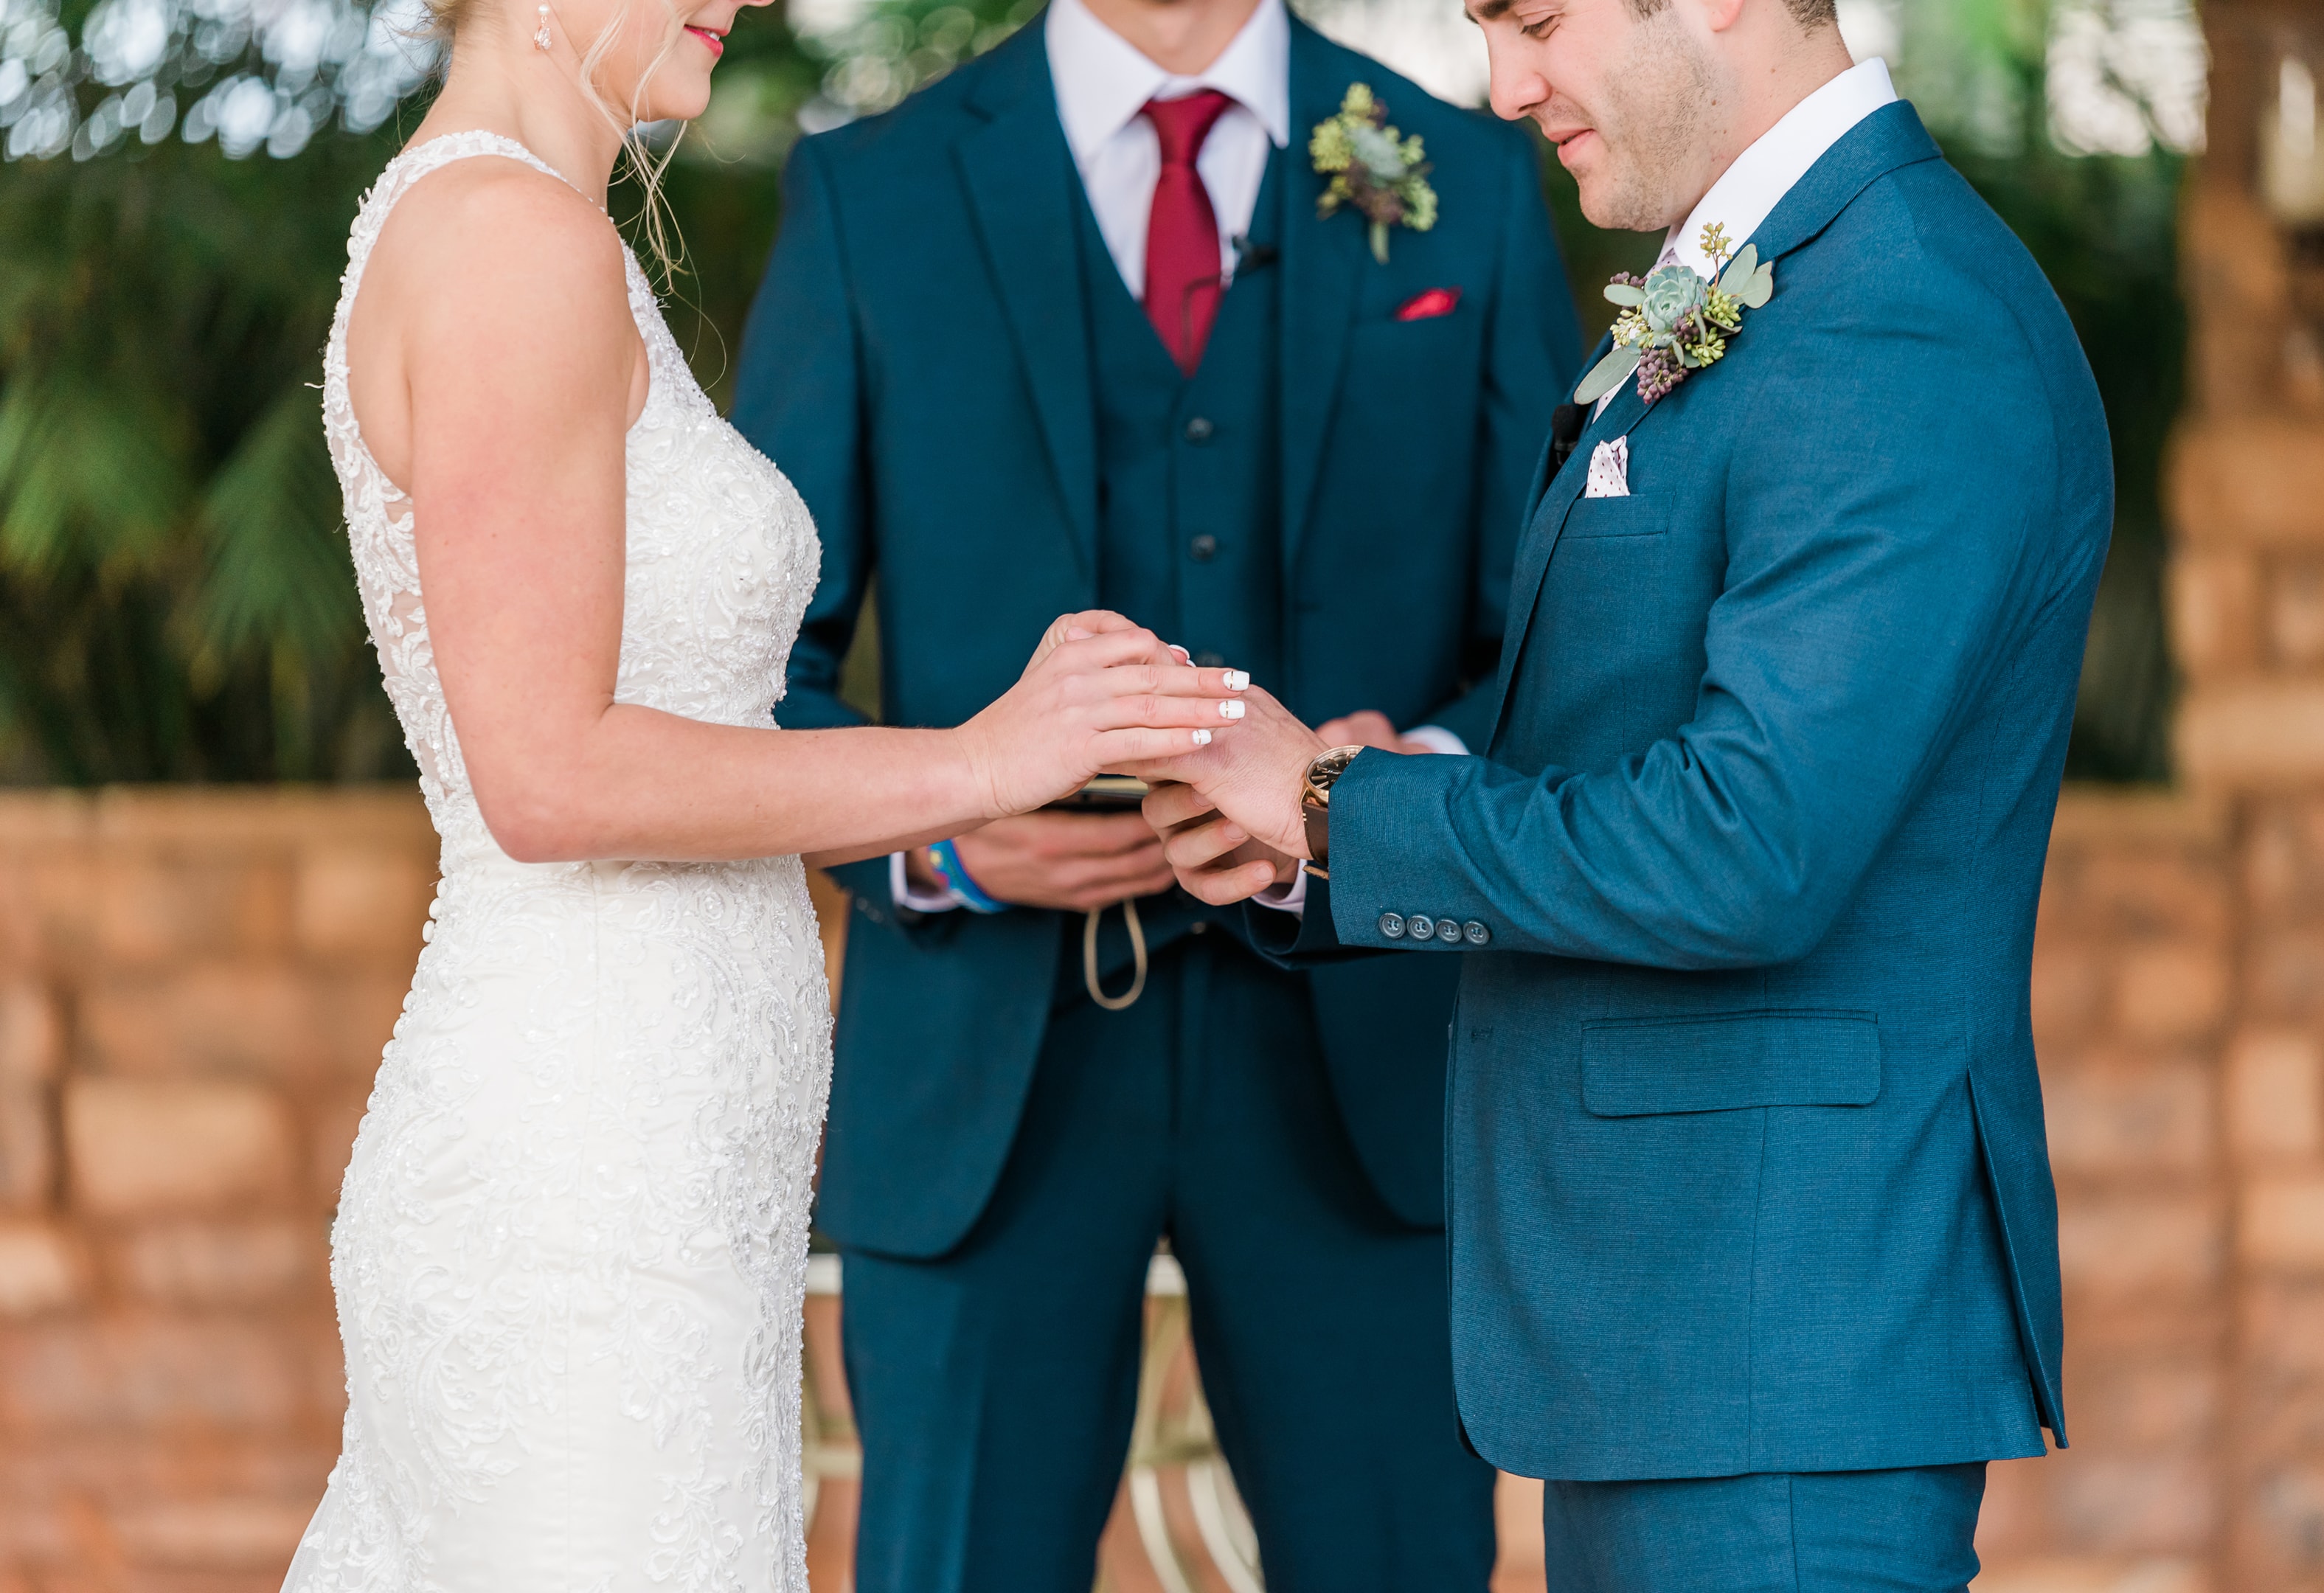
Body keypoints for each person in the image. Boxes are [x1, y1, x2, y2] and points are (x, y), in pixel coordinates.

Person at [1137, 0, 2113, 1587]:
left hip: (1779, 1342)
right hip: (1683, 1346)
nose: (1507, 87)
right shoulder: (1782, 278)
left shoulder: (1900, 316)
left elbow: (1749, 846)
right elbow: (1635, 741)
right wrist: (1309, 825)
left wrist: (1342, 808)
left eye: (1531, 21)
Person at [283, 0, 1243, 1579]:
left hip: (657, 1174)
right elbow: (546, 772)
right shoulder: (509, 245)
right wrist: (980, 761)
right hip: (580, 1188)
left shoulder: (534, 228)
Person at [729, 0, 1579, 1583]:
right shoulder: (877, 192)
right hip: (983, 1062)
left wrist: (1372, 805)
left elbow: (1557, 636)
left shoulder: (1464, 172)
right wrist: (942, 835)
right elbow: (747, 658)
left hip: (1364, 1065)